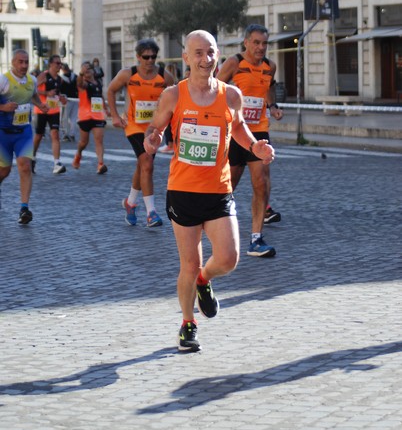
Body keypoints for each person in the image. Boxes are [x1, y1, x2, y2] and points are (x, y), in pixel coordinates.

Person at [144, 30, 275, 352]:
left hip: (219, 190)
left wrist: (255, 146)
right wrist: (152, 138)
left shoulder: (230, 95)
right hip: (183, 190)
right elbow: (155, 127)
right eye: (198, 53)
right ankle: (188, 324)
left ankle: (205, 280)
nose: (206, 59)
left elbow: (240, 128)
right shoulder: (174, 95)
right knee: (188, 264)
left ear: (218, 55)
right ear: (186, 58)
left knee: (228, 258)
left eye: (211, 52)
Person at [217, 24, 284, 257]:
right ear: (246, 42)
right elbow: (215, 88)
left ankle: (256, 239)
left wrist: (272, 106)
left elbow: (270, 88)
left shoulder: (270, 66)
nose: (260, 47)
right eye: (256, 42)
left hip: (259, 131)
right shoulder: (234, 63)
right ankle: (214, 223)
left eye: (264, 43)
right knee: (229, 184)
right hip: (235, 131)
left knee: (261, 182)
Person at [107, 38, 174, 227]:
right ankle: (151, 213)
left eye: (153, 56)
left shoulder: (165, 76)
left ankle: (130, 202)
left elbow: (175, 98)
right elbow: (110, 91)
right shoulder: (128, 74)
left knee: (142, 165)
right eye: (146, 57)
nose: (150, 60)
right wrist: (114, 116)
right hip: (134, 126)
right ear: (138, 57)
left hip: (154, 128)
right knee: (146, 163)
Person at [0, 49, 49, 224]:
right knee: (4, 170)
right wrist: (4, 108)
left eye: (26, 62)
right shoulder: (3, 80)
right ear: (12, 62)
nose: (24, 65)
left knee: (25, 166)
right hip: (3, 133)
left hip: (24, 131)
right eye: (20, 62)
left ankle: (24, 208)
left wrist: (40, 104)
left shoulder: (32, 80)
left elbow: (33, 95)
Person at [72, 62, 110, 174]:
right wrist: (81, 73)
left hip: (97, 115)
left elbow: (100, 96)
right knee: (84, 142)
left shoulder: (98, 82)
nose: (87, 71)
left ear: (93, 71)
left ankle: (100, 164)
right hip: (85, 116)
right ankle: (78, 154)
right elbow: (79, 83)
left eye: (89, 69)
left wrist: (106, 109)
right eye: (85, 69)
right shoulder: (84, 83)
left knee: (99, 139)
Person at [32, 54, 67, 174]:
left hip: (54, 110)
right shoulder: (44, 75)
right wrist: (46, 93)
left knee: (55, 134)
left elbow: (57, 93)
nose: (59, 65)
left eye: (60, 63)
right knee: (38, 136)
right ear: (51, 64)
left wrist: (62, 98)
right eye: (57, 63)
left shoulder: (60, 79)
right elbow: (32, 89)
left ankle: (57, 163)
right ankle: (32, 157)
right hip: (42, 109)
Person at [159, 62, 180, 154]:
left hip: (169, 106)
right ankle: (173, 144)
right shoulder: (179, 82)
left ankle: (170, 145)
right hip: (178, 107)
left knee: (167, 125)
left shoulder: (166, 82)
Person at [60, 63, 78, 142]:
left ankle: (65, 134)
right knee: (73, 118)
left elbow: (60, 89)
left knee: (64, 118)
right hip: (76, 99)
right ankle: (72, 134)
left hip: (66, 99)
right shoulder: (75, 76)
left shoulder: (61, 78)